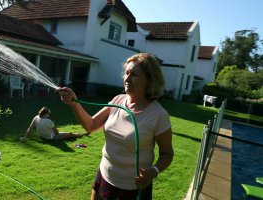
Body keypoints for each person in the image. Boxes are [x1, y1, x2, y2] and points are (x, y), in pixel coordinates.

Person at [59, 53, 174, 200]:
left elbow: (167, 153)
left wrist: (154, 171)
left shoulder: (158, 114)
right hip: (105, 175)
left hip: (132, 188)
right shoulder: (117, 100)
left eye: (134, 75)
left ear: (149, 80)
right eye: (126, 73)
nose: (127, 78)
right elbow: (91, 125)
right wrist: (74, 103)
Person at [20, 107, 88, 141]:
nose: (48, 115)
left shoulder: (36, 117)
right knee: (70, 134)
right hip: (51, 137)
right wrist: (55, 128)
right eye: (48, 114)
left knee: (64, 133)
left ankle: (79, 134)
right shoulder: (48, 121)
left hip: (41, 135)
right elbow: (57, 132)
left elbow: (30, 128)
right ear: (45, 114)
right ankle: (82, 135)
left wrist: (25, 137)